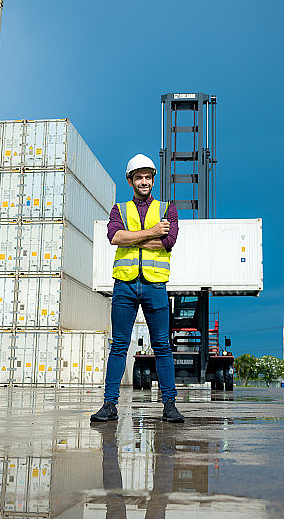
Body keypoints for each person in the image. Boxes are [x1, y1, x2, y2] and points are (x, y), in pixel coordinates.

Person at [91, 154, 184, 423]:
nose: (144, 181)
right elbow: (114, 237)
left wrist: (134, 240)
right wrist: (153, 231)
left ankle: (169, 405)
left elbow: (168, 242)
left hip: (155, 285)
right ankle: (109, 405)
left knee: (162, 346)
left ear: (153, 179)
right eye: (138, 177)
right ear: (130, 181)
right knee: (119, 345)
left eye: (148, 177)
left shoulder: (168, 208)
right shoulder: (118, 210)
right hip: (125, 285)